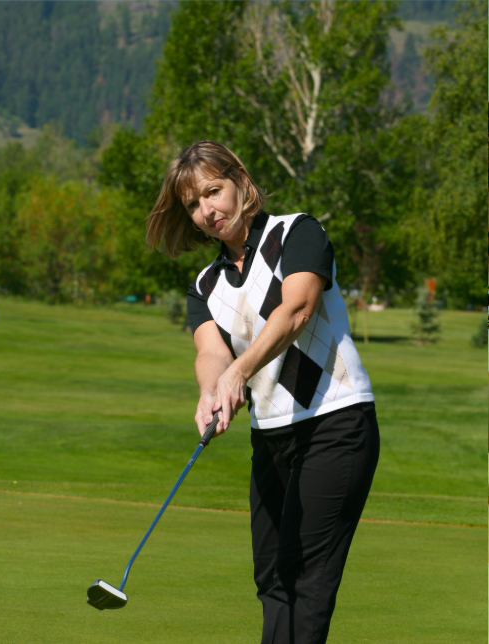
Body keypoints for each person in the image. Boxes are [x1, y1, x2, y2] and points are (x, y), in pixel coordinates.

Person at [147, 140, 380, 644]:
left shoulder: (297, 232)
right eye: (193, 203)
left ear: (241, 182)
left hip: (335, 423)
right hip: (272, 437)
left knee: (306, 579)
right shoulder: (206, 285)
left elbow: (295, 311)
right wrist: (212, 390)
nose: (208, 210)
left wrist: (239, 373)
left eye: (214, 191)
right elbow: (210, 353)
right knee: (272, 577)